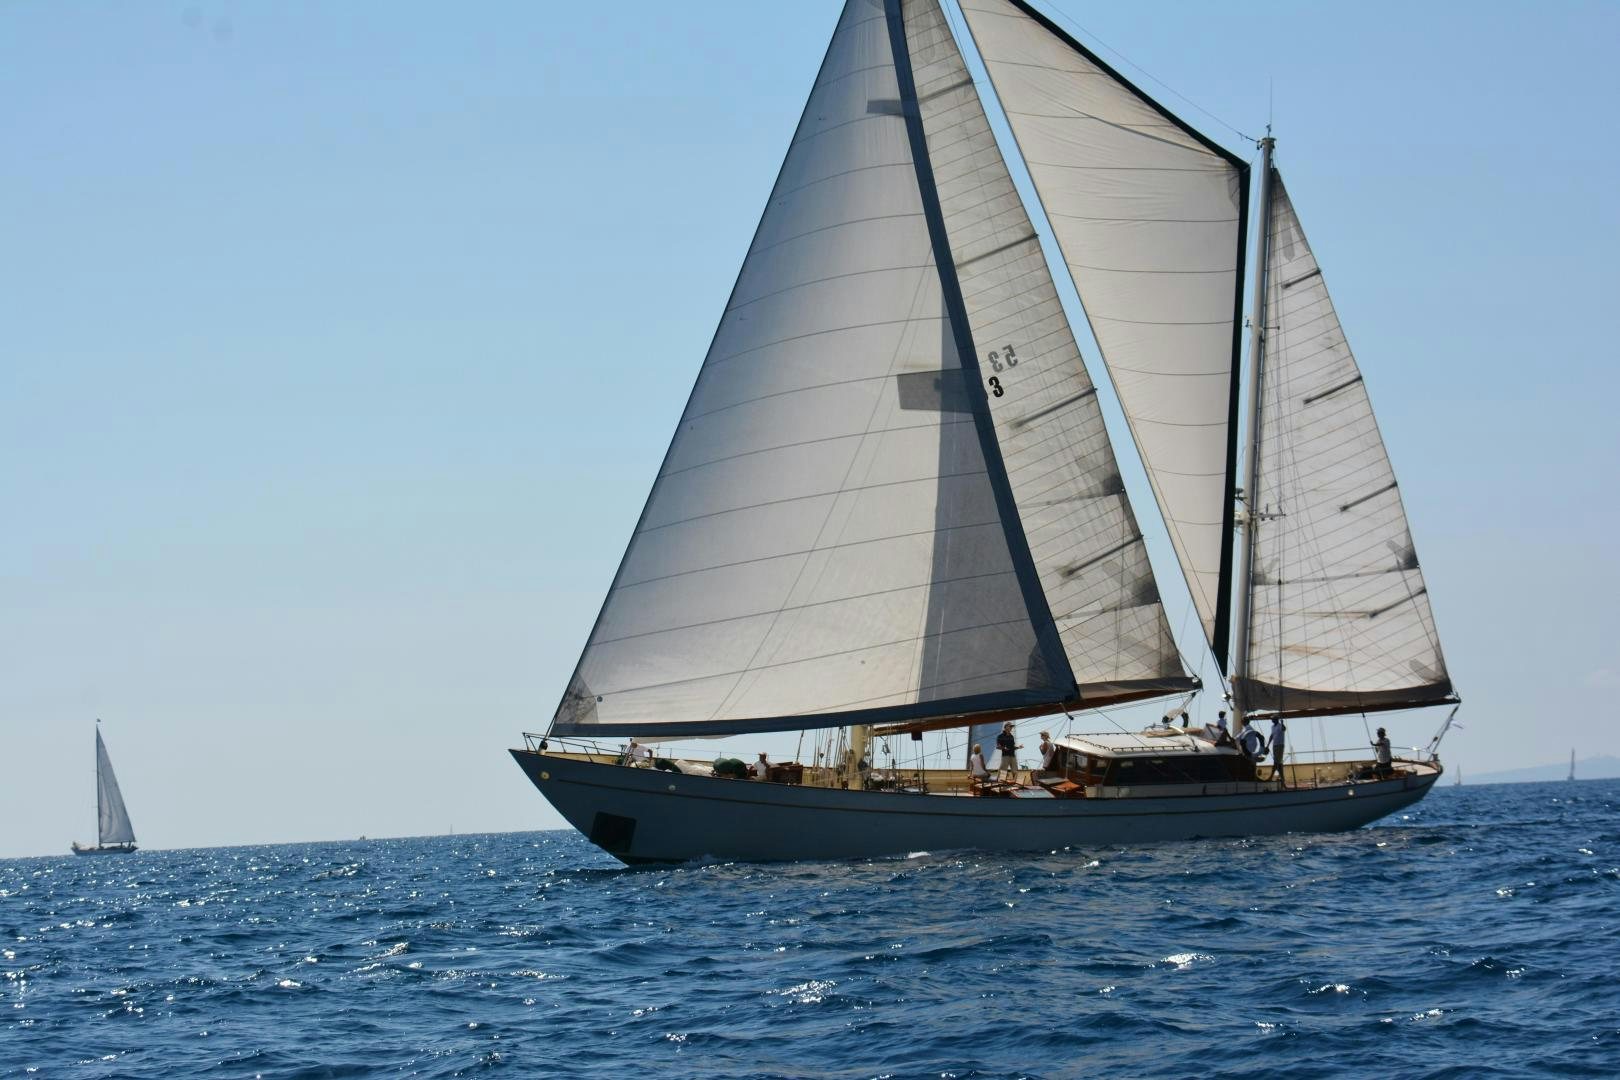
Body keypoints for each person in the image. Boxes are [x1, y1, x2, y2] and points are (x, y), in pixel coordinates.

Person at [1269, 718, 1287, 787]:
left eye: (1273, 719)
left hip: (1280, 745)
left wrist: (1282, 723)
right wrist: (1268, 745)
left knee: (1276, 762)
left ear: (1276, 719)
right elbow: (1272, 736)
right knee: (1279, 764)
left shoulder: (1280, 726)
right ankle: (1283, 781)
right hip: (1274, 746)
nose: (1271, 720)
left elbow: (1283, 729)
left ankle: (1271, 777)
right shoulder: (1272, 727)